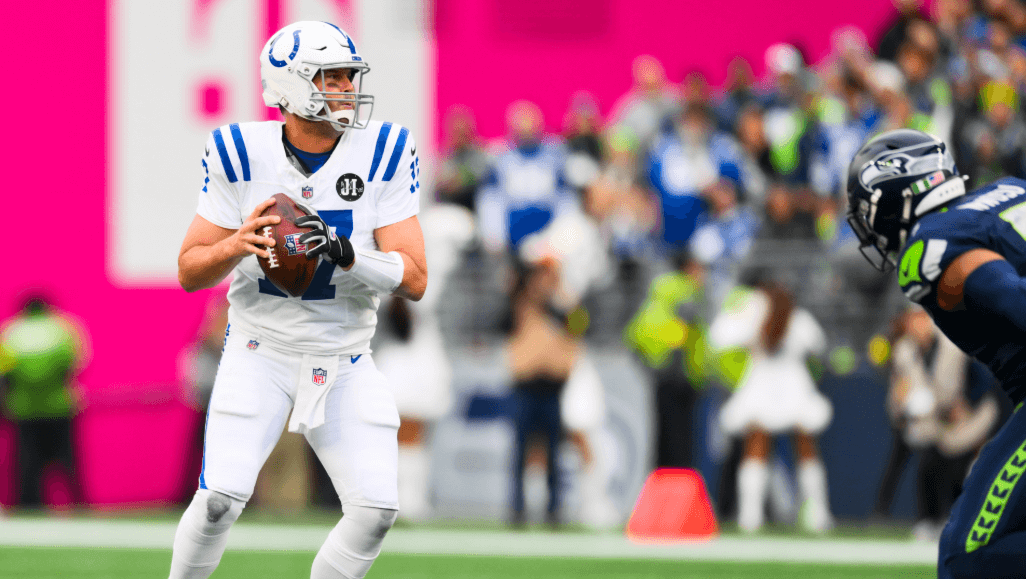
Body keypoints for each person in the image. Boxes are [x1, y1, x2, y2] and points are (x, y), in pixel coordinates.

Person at [172, 20, 427, 579]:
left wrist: (347, 254)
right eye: (330, 77)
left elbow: (414, 278)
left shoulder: (384, 148)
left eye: (347, 77)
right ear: (288, 87)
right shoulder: (239, 151)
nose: (344, 89)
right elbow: (191, 269)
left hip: (345, 357)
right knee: (219, 500)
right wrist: (236, 245)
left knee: (376, 511)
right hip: (259, 350)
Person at [846, 127, 1026, 577]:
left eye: (869, 210)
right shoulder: (1010, 190)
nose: (870, 226)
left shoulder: (932, 246)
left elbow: (1015, 299)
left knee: (968, 556)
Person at [707, 279, 834, 534]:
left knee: (763, 446)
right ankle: (814, 514)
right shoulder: (789, 316)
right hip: (787, 384)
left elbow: (718, 338)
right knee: (800, 447)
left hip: (768, 384)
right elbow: (819, 345)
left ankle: (753, 516)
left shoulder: (757, 312)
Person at [0, 295, 90, 509]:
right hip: (59, 406)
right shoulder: (63, 329)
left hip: (24, 409)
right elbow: (76, 365)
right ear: (48, 308)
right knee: (68, 464)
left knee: (27, 467)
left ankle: (28, 507)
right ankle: (78, 506)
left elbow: (5, 375)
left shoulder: (11, 331)